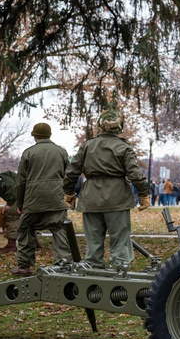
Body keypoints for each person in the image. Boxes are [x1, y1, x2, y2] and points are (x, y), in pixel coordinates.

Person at [63, 110, 150, 269]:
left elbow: (72, 171)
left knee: (93, 241)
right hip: (117, 197)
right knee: (120, 240)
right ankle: (119, 273)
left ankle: (93, 273)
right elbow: (135, 174)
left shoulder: (87, 145)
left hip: (91, 197)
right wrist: (144, 193)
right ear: (119, 127)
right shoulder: (124, 147)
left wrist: (69, 192)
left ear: (99, 126)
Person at [11, 123, 73, 276]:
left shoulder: (28, 153)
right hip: (56, 199)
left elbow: (21, 181)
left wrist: (20, 203)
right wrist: (68, 196)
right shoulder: (61, 152)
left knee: (25, 228)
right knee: (59, 230)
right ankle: (63, 264)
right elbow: (70, 176)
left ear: (35, 136)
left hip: (33, 200)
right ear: (50, 135)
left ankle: (24, 266)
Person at [0, 170, 19, 252]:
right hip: (28, 195)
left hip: (23, 196)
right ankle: (34, 242)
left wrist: (9, 204)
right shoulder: (1, 180)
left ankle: (11, 244)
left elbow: (11, 188)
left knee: (11, 214)